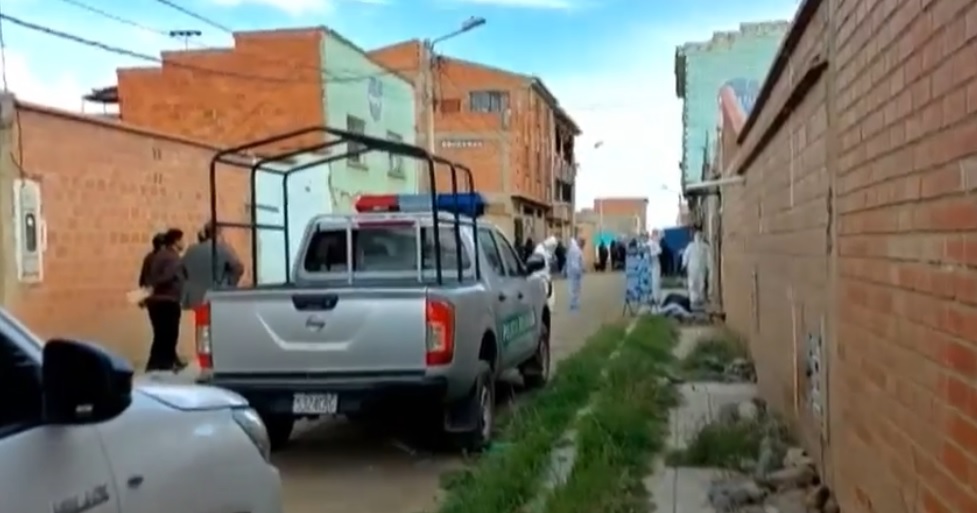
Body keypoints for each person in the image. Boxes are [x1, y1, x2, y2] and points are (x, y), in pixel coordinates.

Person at [144, 228, 187, 372]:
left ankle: (156, 363)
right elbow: (168, 276)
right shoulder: (172, 257)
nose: (183, 243)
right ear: (175, 241)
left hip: (158, 301)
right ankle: (165, 364)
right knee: (169, 334)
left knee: (161, 334)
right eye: (181, 240)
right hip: (168, 299)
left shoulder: (158, 255)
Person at [181, 222, 244, 310]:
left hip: (195, 299)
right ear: (218, 233)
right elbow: (238, 268)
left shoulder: (191, 250)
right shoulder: (223, 249)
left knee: (202, 318)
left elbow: (181, 270)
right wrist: (229, 283)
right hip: (217, 297)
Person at [683, 229, 711, 308]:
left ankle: (696, 299)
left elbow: (685, 256)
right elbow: (686, 256)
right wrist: (709, 267)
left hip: (695, 267)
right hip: (698, 267)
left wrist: (684, 264)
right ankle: (697, 298)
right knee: (697, 282)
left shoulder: (694, 246)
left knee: (696, 283)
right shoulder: (703, 246)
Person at [566, 237, 584, 312]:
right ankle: (574, 304)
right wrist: (579, 271)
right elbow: (575, 263)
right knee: (575, 288)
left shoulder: (573, 249)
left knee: (573, 288)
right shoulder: (576, 250)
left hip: (572, 272)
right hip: (575, 272)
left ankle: (574, 303)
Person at [647, 230, 663, 305]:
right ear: (653, 235)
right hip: (652, 265)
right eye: (656, 235)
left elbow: (659, 251)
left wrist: (652, 254)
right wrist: (652, 254)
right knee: (653, 283)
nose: (657, 237)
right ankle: (654, 298)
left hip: (655, 265)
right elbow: (659, 251)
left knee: (655, 282)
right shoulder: (651, 243)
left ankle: (656, 298)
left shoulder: (654, 243)